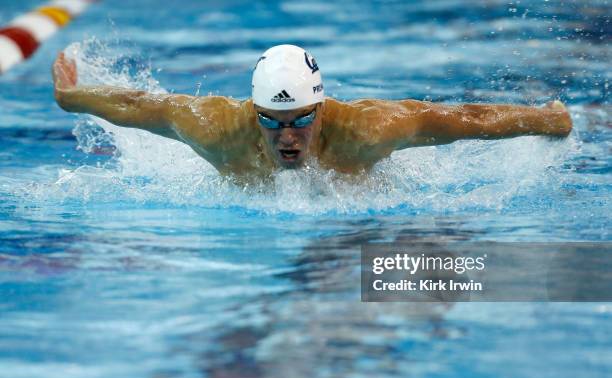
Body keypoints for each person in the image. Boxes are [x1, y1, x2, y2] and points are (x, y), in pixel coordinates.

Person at [52, 44, 572, 180]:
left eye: (301, 119)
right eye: (271, 121)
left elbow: (466, 120)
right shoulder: (215, 129)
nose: (287, 136)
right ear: (251, 111)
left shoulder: (367, 130)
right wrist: (71, 97)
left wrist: (550, 119)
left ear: (321, 109)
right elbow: (143, 107)